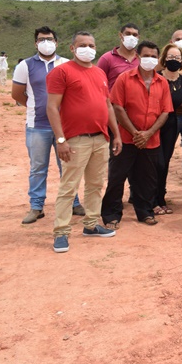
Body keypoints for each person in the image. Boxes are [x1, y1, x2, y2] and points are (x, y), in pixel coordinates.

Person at [46, 31, 122, 253]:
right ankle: (61, 232)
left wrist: (116, 134)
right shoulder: (62, 72)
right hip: (75, 140)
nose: (87, 48)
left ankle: (90, 225)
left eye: (91, 45)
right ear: (72, 49)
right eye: (82, 45)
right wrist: (61, 140)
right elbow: (52, 107)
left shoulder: (99, 72)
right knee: (69, 187)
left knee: (95, 185)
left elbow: (107, 105)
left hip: (100, 139)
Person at [12, 26, 83, 224]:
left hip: (65, 126)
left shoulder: (67, 64)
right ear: (35, 43)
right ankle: (36, 207)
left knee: (68, 166)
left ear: (56, 42)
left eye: (49, 39)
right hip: (37, 126)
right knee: (38, 168)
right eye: (42, 39)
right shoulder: (25, 66)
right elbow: (17, 94)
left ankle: (74, 202)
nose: (46, 42)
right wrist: (36, 107)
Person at [101, 41, 172, 227]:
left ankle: (145, 212)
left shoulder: (162, 82)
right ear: (139, 57)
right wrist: (135, 133)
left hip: (151, 140)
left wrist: (148, 133)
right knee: (117, 177)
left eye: (154, 56)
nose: (150, 59)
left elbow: (165, 111)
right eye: (146, 55)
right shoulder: (124, 78)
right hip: (125, 139)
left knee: (147, 179)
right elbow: (117, 106)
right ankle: (112, 215)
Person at [155, 43, 182, 214]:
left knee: (164, 162)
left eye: (177, 57)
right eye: (170, 57)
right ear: (164, 58)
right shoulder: (156, 77)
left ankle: (160, 197)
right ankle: (150, 199)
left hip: (171, 123)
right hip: (153, 123)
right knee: (153, 161)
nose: (173, 60)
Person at [97, 23, 140, 90]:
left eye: (134, 35)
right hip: (114, 99)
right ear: (120, 35)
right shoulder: (107, 58)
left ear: (138, 37)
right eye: (128, 34)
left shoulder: (142, 58)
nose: (131, 37)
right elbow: (98, 83)